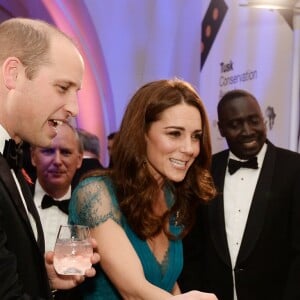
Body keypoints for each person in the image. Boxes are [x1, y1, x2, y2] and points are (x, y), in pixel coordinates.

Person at [69, 78, 218, 299]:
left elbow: (164, 282)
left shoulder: (173, 198)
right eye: (174, 133)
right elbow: (134, 293)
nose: (189, 148)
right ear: (142, 134)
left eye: (196, 136)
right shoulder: (96, 194)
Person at [0, 17, 99, 299]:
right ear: (13, 74)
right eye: (62, 88)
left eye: (76, 92)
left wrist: (42, 279)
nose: (74, 108)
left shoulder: (11, 159)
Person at [179, 89, 300, 300]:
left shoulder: (294, 168)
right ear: (221, 129)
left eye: (254, 121)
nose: (247, 131)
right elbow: (193, 248)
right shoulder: (204, 171)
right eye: (235, 125)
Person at [31, 122, 83, 252]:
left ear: (79, 159)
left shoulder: (88, 212)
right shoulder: (13, 202)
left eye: (66, 152)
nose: (57, 161)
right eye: (48, 151)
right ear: (33, 156)